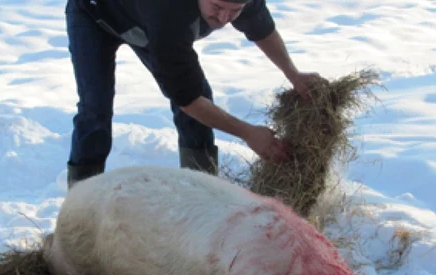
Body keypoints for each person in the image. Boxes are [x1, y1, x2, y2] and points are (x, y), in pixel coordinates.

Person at [64, 0, 327, 188]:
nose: (224, 18)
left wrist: (293, 74)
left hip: (145, 24)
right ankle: (79, 206)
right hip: (94, 15)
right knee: (95, 110)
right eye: (217, 7)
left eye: (234, 11)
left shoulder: (240, 2)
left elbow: (262, 30)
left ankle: (201, 190)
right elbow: (187, 99)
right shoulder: (168, 11)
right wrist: (248, 133)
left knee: (201, 96)